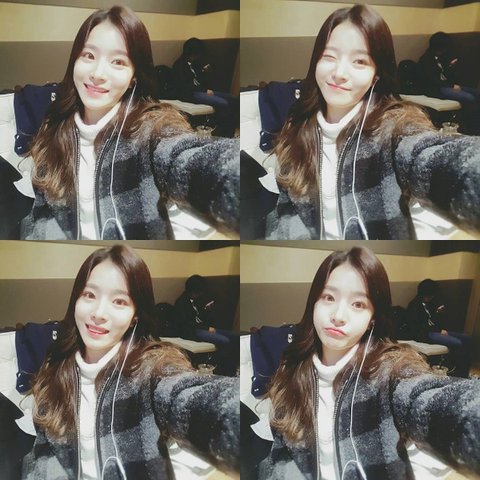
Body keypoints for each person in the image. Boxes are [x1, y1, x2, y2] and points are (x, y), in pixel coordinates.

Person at [254, 247, 480, 479]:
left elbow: (437, 403)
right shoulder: (292, 367)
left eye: (358, 304)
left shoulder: (390, 370)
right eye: (329, 297)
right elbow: (278, 456)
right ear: (314, 302)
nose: (338, 315)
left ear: (372, 318)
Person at [20, 6, 239, 240]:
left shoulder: (150, 131)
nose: (98, 73)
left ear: (133, 76)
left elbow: (198, 162)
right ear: (75, 60)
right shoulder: (53, 130)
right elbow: (41, 216)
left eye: (118, 61)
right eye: (89, 55)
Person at [22, 245, 239, 479]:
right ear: (76, 299)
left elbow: (198, 400)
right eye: (90, 295)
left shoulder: (152, 369)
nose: (99, 313)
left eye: (119, 301)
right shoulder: (56, 366)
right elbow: (43, 453)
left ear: (135, 315)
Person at [265, 4, 480, 240]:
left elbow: (438, 160)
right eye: (329, 56)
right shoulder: (296, 130)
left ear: (376, 74)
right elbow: (286, 213)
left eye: (359, 61)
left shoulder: (394, 129)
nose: (339, 73)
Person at [172, 37, 239, 137]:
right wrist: (205, 90)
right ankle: (222, 131)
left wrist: (204, 72)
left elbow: (201, 80)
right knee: (223, 103)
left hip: (200, 90)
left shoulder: (195, 64)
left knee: (233, 98)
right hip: (190, 94)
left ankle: (231, 128)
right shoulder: (179, 65)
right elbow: (185, 86)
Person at [174, 274, 239, 376]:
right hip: (192, 331)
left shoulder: (198, 301)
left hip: (202, 328)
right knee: (225, 341)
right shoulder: (181, 303)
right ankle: (224, 371)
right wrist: (207, 328)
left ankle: (233, 367)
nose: (200, 294)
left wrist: (207, 310)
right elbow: (186, 324)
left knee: (235, 336)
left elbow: (203, 318)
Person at [407, 278, 472, 378]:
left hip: (435, 330)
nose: (432, 297)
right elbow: (419, 327)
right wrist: (438, 330)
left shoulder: (431, 304)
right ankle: (457, 373)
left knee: (467, 338)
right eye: (430, 295)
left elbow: (435, 321)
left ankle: (464, 372)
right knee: (457, 343)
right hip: (424, 334)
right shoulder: (414, 306)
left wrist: (438, 313)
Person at [418, 31, 480, 134]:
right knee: (469, 98)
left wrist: (451, 67)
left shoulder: (444, 57)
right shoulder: (426, 60)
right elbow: (432, 80)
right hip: (436, 89)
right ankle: (471, 126)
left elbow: (449, 75)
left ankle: (476, 123)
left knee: (476, 93)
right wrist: (452, 85)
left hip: (447, 85)